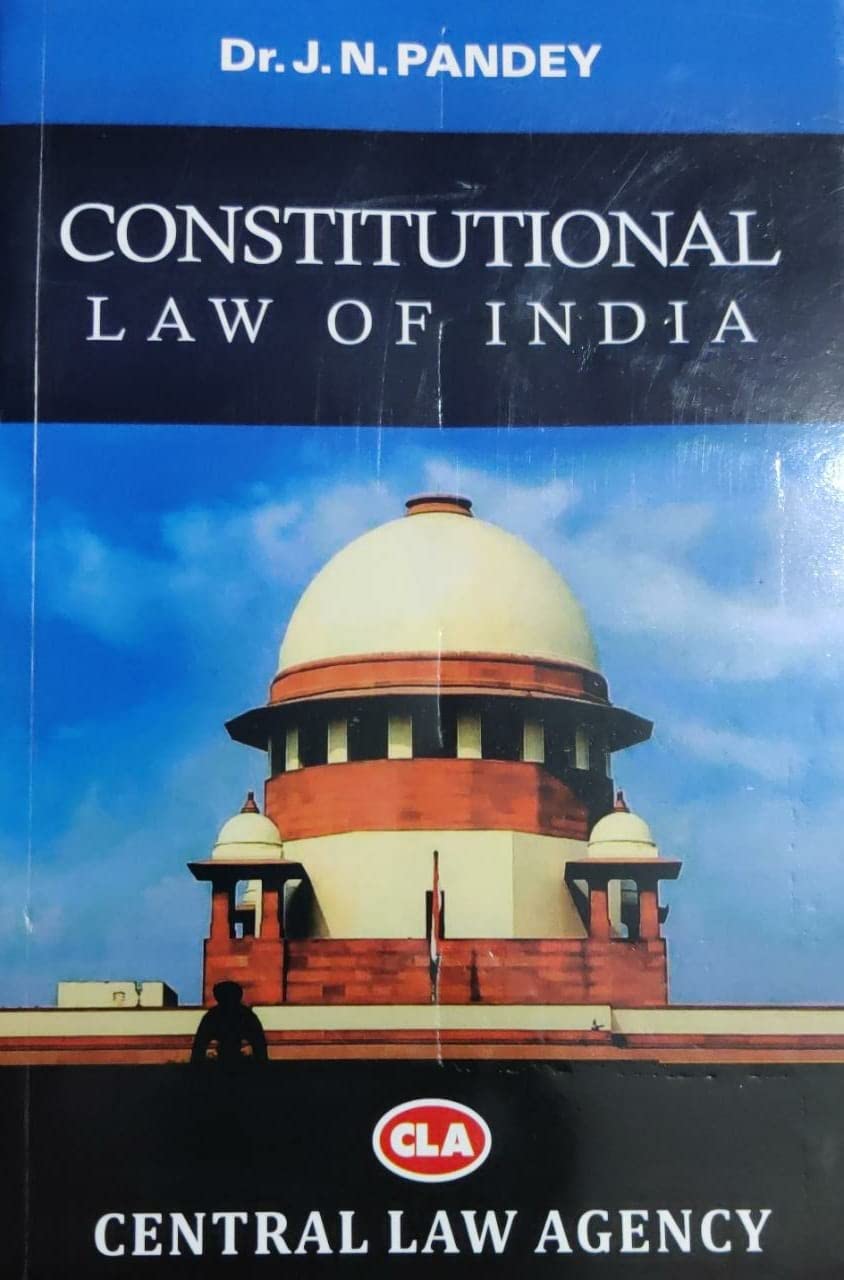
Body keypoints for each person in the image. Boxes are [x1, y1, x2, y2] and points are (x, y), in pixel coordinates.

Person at [190, 981, 268, 1066]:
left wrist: (196, 1066)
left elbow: (199, 1046)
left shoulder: (212, 1016)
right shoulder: (246, 1015)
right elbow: (260, 1046)